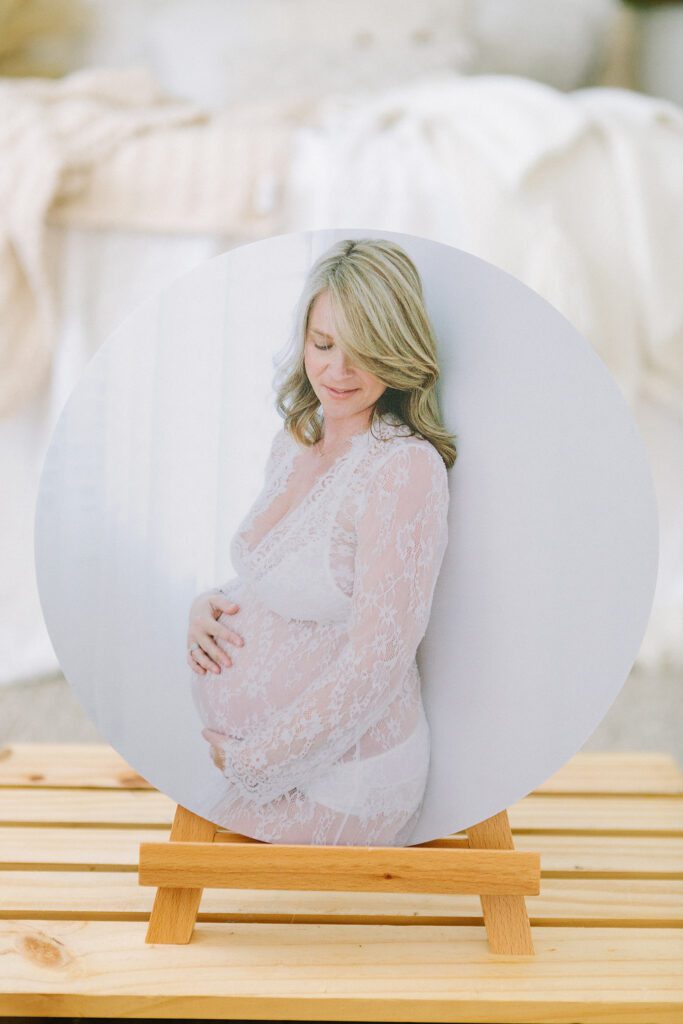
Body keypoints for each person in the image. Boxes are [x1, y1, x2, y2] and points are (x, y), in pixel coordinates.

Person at [187, 237, 457, 846]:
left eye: (363, 352)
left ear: (398, 351)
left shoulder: (403, 470)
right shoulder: (295, 440)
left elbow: (379, 661)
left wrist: (257, 762)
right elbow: (279, 572)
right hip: (276, 761)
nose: (338, 372)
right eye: (324, 344)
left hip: (347, 778)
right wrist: (212, 604)